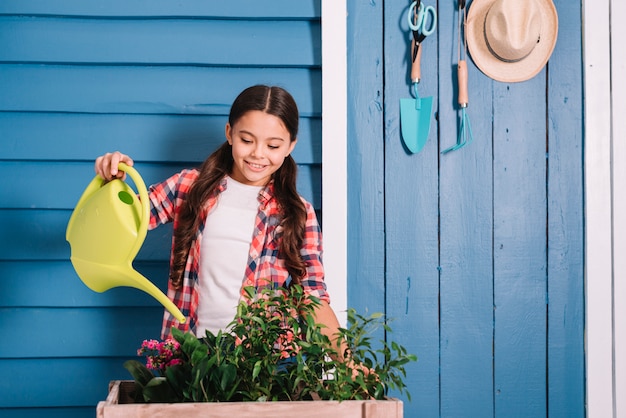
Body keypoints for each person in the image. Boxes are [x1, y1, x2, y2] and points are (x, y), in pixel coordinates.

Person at [95, 85, 344, 351]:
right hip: (190, 355)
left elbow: (313, 297)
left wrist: (348, 363)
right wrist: (110, 179)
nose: (258, 153)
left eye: (273, 145)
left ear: (290, 145)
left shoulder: (297, 213)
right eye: (247, 140)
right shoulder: (188, 187)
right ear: (230, 134)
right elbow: (121, 220)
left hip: (263, 363)